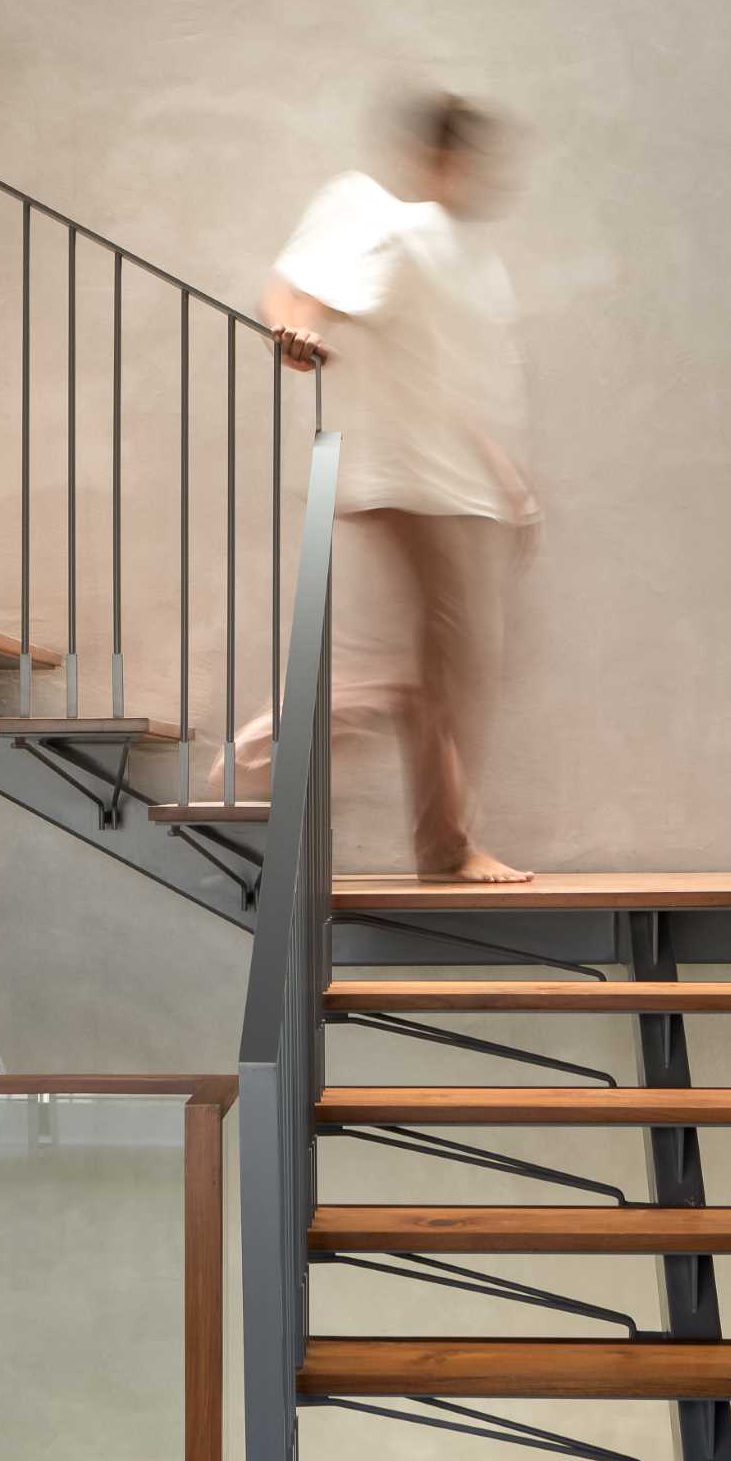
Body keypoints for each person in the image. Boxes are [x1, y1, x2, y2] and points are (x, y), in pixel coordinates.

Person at [231, 93, 541, 883]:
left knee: (445, 669)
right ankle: (441, 845)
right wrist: (296, 333)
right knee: (449, 663)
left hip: (457, 486)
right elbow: (301, 293)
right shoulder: (394, 228)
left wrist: (502, 476)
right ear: (444, 160)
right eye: (467, 159)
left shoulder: (470, 263)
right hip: (406, 483)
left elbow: (449, 387)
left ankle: (284, 744)